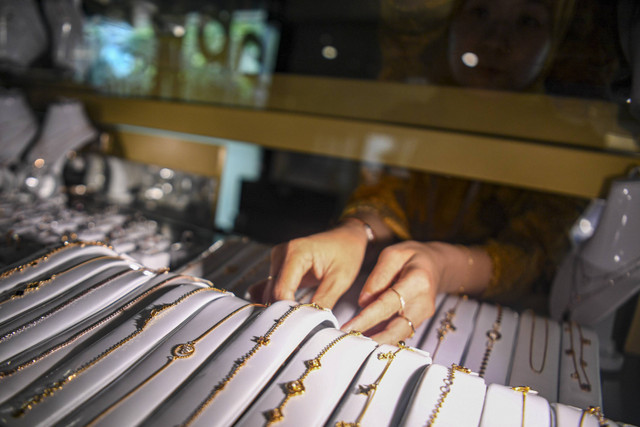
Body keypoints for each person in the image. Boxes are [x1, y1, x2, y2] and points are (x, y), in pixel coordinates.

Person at [253, 0, 591, 345]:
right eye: (480, 12)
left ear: (558, 38)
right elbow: (386, 195)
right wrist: (357, 231)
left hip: (506, 335)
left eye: (528, 21)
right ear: (450, 21)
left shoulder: (570, 143)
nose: (495, 40)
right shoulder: (412, 117)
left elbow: (533, 252)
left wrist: (443, 266)